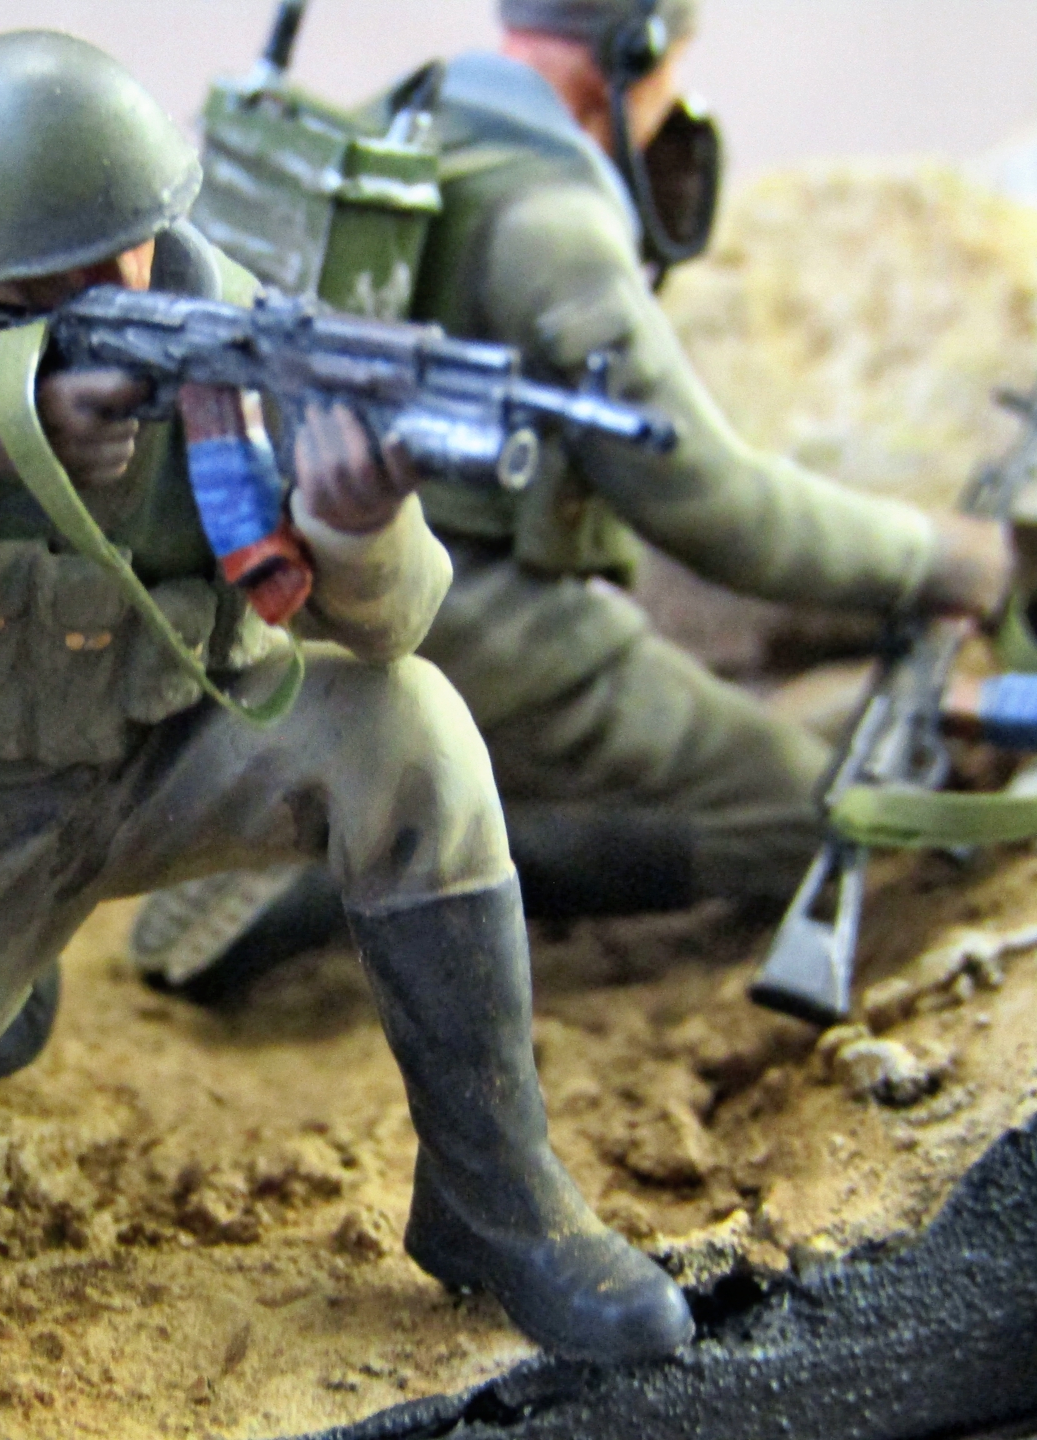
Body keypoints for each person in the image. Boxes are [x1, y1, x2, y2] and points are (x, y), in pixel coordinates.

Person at [0, 29, 692, 1364]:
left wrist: (356, 523)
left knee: (415, 732)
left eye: (132, 250)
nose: (117, 288)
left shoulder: (240, 334)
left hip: (178, 757)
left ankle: (495, 1196)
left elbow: (395, 622)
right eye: (61, 274)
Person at [133, 0, 1019, 1003]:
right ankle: (383, 861)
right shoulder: (551, 220)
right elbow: (714, 505)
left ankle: (415, 793)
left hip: (317, 569)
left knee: (713, 678)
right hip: (462, 608)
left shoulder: (418, 112)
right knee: (809, 815)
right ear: (635, 53)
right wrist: (947, 557)